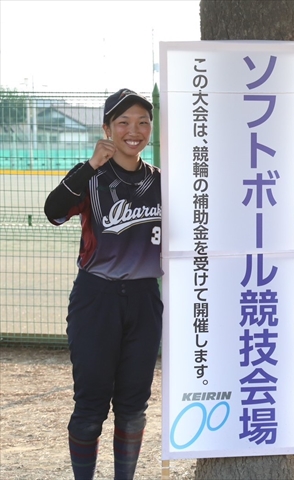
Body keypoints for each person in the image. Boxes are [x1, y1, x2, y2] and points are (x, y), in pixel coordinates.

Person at [44, 88, 162, 480]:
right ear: (107, 129)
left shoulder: (163, 182)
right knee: (91, 406)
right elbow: (53, 211)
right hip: (97, 298)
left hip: (145, 299)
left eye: (143, 122)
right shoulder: (92, 179)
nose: (134, 131)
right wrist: (90, 164)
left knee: (133, 405)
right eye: (123, 122)